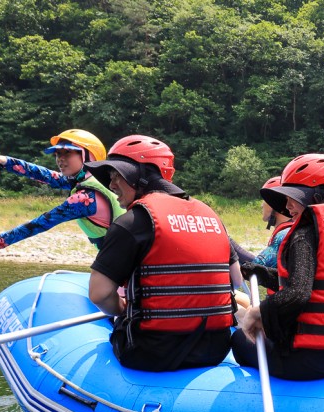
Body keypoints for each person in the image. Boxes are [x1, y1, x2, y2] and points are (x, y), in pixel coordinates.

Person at [85, 135, 238, 372]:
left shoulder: (132, 222)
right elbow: (234, 279)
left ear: (138, 176)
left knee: (112, 317)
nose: (111, 184)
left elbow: (99, 294)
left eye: (116, 175)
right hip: (215, 350)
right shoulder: (211, 216)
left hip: (151, 352)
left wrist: (122, 309)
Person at [231, 153, 324, 380]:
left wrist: (259, 312)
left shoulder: (303, 234)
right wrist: (262, 274)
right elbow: (318, 284)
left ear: (314, 196)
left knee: (238, 339)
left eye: (293, 197)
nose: (287, 206)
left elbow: (298, 293)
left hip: (306, 362)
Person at [0, 129, 124, 260]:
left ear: (88, 156)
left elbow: (42, 222)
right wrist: (6, 161)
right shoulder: (90, 180)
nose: (60, 158)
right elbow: (46, 175)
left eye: (68, 152)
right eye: (58, 153)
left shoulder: (85, 197)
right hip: (116, 256)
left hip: (122, 261)